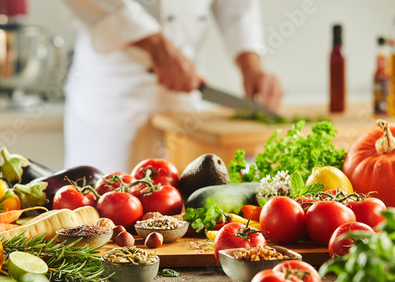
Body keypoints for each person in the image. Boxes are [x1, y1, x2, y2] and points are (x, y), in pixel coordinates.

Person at [62, 0, 283, 174]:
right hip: (113, 99)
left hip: (184, 101)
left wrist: (251, 65)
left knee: (183, 209)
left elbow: (237, 6)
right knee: (105, 208)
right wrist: (156, 44)